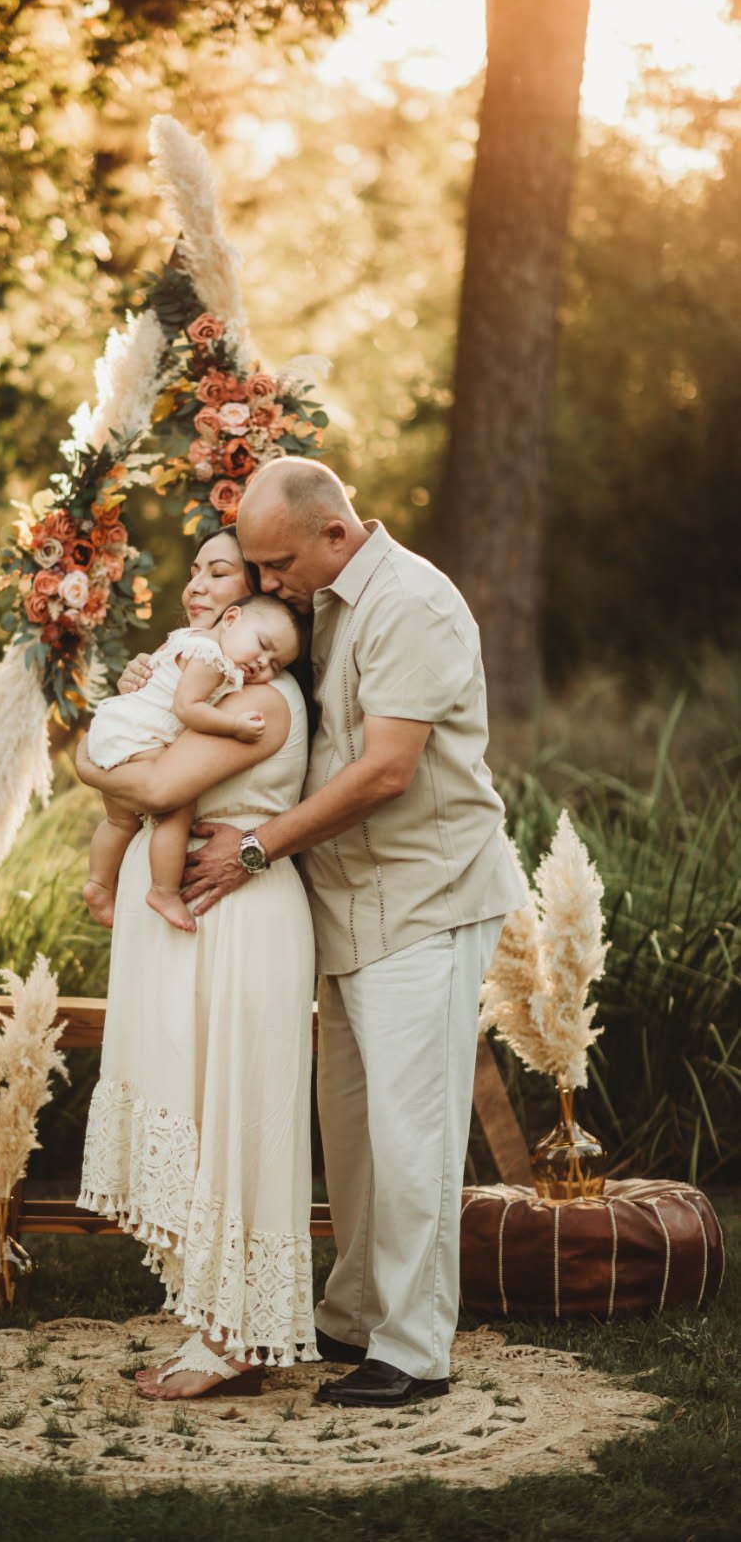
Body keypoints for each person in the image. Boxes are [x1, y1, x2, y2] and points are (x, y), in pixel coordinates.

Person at [182, 456, 526, 1410]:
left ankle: (415, 1350)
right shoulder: (323, 596)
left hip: (426, 897)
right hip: (348, 906)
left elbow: (384, 772)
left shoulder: (412, 603)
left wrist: (251, 848)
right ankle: (355, 1308)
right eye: (253, 565)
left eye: (274, 561)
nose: (263, 582)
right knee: (354, 1131)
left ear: (335, 530)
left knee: (412, 1133)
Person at [74, 526, 320, 1399]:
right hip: (191, 925)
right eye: (193, 568)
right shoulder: (189, 674)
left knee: (233, 1114)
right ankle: (213, 1322)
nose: (194, 585)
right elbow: (141, 772)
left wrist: (79, 754)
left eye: (218, 571)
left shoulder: (265, 699)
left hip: (237, 925)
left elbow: (150, 788)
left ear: (257, 596)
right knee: (194, 1107)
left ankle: (237, 1337)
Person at [83, 594, 303, 933]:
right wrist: (233, 725)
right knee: (177, 808)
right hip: (139, 737)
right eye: (262, 646)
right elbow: (187, 709)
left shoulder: (188, 641)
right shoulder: (212, 659)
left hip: (115, 731)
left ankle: (98, 883)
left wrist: (86, 763)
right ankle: (164, 891)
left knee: (119, 821)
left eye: (275, 664)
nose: (263, 662)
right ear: (231, 619)